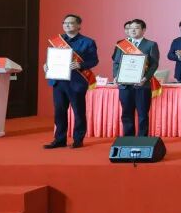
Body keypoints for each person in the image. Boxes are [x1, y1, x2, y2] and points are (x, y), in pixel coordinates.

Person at [43, 14, 98, 149]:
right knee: (59, 112)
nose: (67, 25)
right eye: (64, 23)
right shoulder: (57, 41)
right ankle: (59, 139)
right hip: (58, 81)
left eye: (71, 23)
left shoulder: (88, 42)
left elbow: (94, 60)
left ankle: (78, 139)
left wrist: (80, 65)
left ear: (79, 25)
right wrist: (46, 65)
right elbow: (52, 58)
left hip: (76, 82)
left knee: (78, 112)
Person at [111, 19, 160, 137]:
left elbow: (154, 64)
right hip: (124, 85)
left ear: (143, 30)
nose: (133, 30)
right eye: (131, 28)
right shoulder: (122, 44)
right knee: (126, 114)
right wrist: (116, 76)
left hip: (142, 85)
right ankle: (128, 139)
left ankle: (142, 140)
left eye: (136, 28)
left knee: (142, 114)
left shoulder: (151, 44)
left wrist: (145, 78)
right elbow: (116, 63)